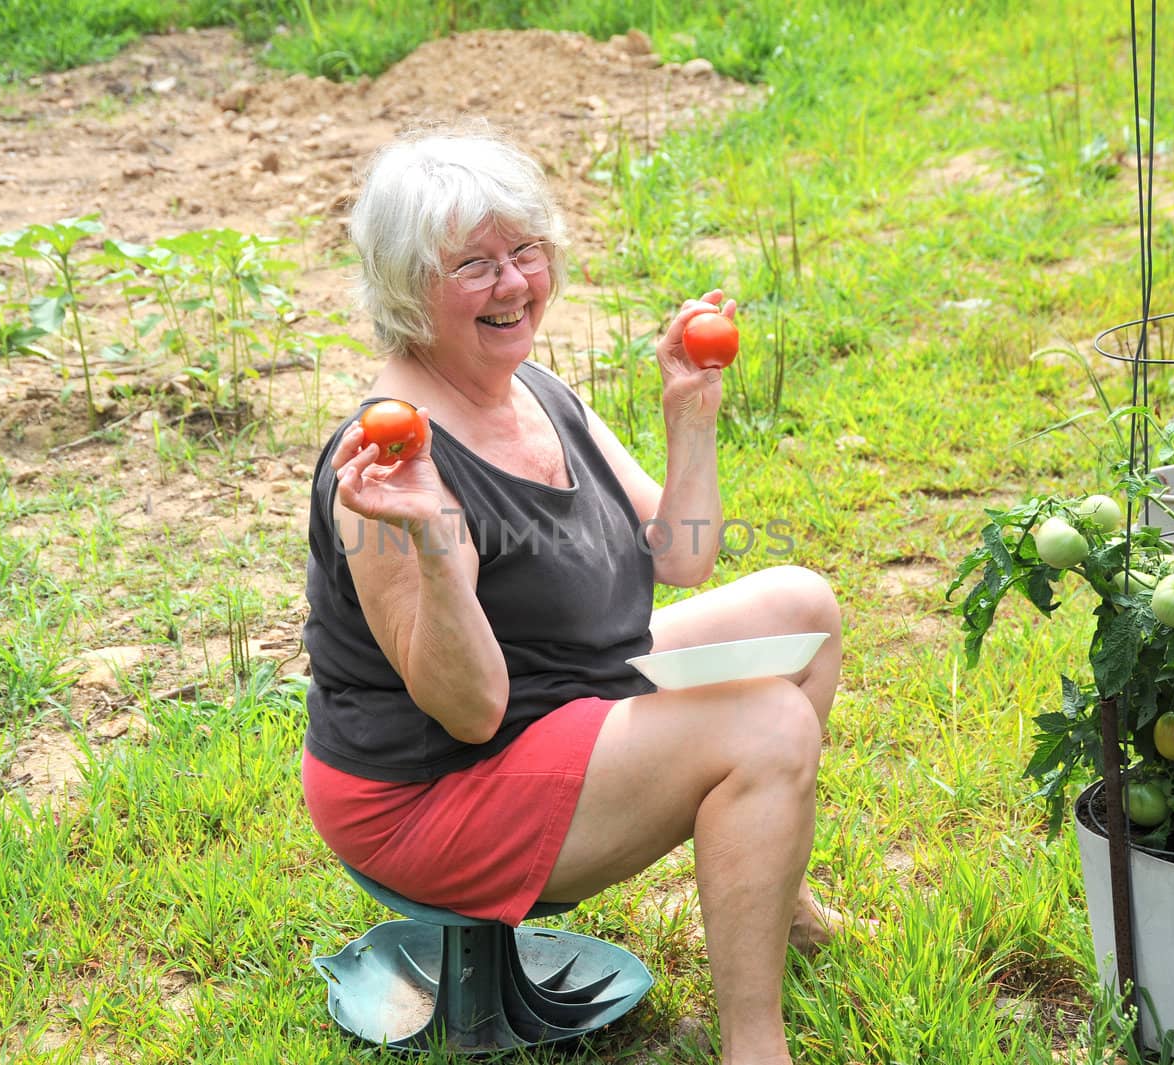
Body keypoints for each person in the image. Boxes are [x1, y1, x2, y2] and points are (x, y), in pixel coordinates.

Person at [300, 125, 853, 1065]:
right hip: (431, 788)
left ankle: (775, 893)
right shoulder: (383, 466)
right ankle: (754, 1048)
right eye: (473, 264)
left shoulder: (535, 390)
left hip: (561, 702)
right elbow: (470, 711)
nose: (513, 284)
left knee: (803, 609)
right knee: (767, 725)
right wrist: (437, 543)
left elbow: (680, 556)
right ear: (404, 287)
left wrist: (690, 420)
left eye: (526, 251)